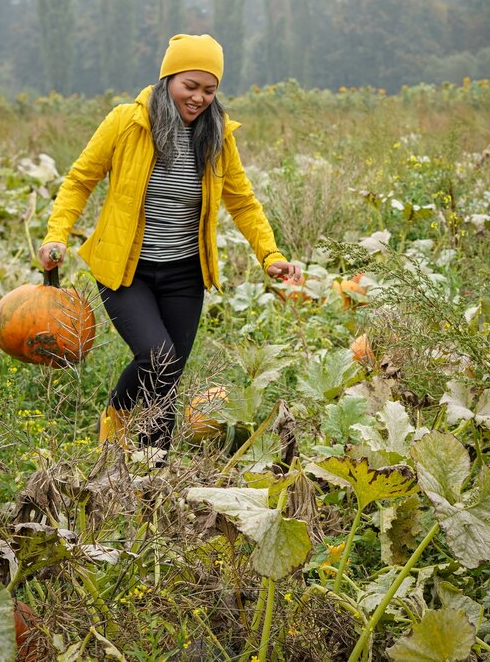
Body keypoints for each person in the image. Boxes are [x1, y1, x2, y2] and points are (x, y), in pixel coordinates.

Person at [38, 33, 301, 456]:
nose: (199, 98)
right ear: (167, 79)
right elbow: (79, 180)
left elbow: (243, 202)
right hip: (127, 270)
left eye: (209, 89)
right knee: (157, 357)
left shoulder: (217, 136)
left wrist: (270, 255)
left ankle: (155, 465)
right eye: (189, 86)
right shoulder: (127, 122)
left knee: (169, 374)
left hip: (184, 272)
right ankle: (114, 434)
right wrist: (56, 235)